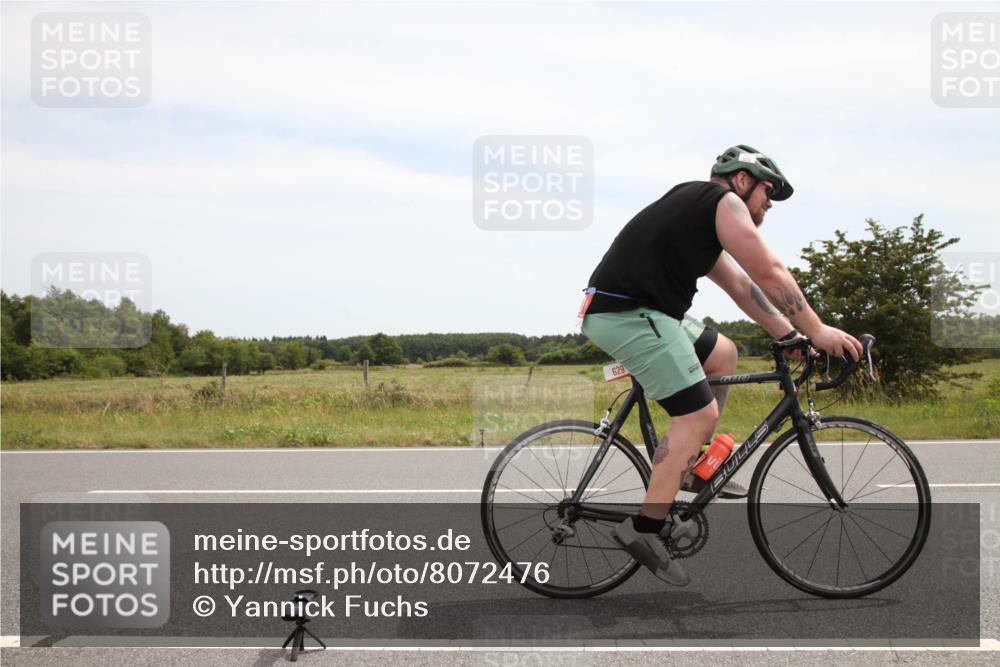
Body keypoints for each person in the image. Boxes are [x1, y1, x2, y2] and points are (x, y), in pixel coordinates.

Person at [580, 145, 863, 586]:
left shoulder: (700, 222)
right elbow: (769, 270)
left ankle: (692, 466)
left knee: (723, 353)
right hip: (629, 313)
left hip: (647, 313)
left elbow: (745, 287)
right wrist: (819, 328)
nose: (769, 202)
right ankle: (644, 529)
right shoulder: (721, 202)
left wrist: (787, 334)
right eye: (769, 190)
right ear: (743, 180)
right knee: (698, 413)